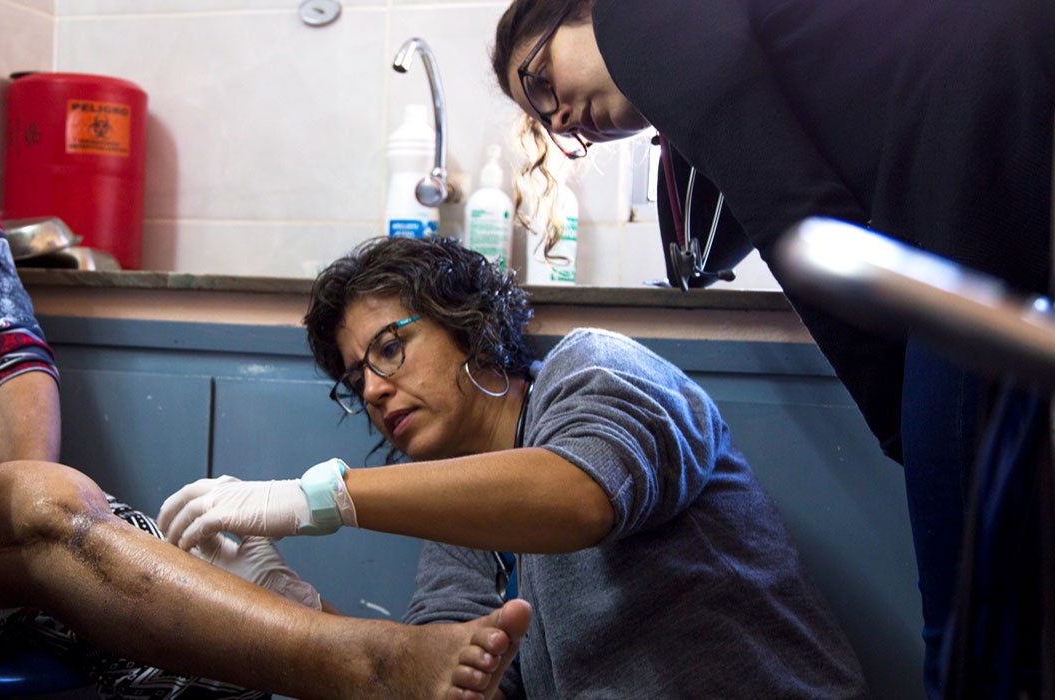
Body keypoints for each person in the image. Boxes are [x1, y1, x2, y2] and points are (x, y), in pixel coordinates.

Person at [0, 2, 535, 698]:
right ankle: (383, 668)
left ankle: (398, 678)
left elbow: (13, 361)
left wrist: (23, 512)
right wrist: (30, 510)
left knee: (219, 600)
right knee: (64, 516)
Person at [488, 0, 1054, 697]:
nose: (562, 121)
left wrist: (905, 423)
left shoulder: (634, 19)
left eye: (541, 82)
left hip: (986, 153)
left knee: (971, 627)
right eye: (546, 124)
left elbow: (803, 225)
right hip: (999, 146)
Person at [160, 235, 868, 698]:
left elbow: (579, 496)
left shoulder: (597, 369)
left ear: (466, 322)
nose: (372, 388)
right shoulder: (458, 522)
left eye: (390, 348)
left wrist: (320, 497)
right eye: (356, 378)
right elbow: (441, 679)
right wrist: (292, 602)